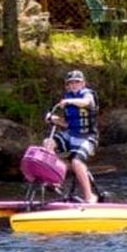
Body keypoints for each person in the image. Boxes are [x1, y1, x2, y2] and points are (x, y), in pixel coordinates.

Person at [43, 69, 99, 203]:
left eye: (77, 82)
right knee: (48, 143)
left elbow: (86, 102)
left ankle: (90, 196)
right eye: (71, 83)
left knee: (76, 162)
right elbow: (67, 124)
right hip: (71, 134)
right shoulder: (67, 98)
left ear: (83, 83)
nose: (74, 85)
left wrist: (70, 101)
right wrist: (54, 119)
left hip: (87, 137)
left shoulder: (88, 95)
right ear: (67, 86)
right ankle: (54, 179)